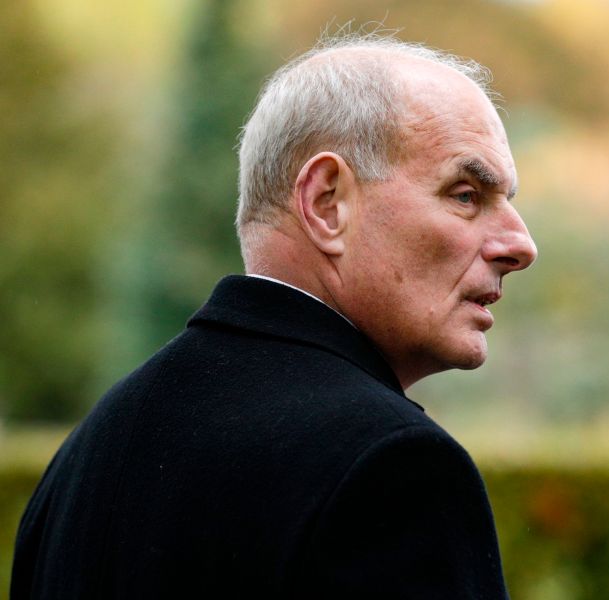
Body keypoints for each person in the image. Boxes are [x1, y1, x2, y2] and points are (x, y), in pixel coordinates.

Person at [12, 33, 537, 599]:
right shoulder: (393, 465)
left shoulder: (84, 460)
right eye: (466, 195)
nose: (520, 243)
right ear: (326, 202)